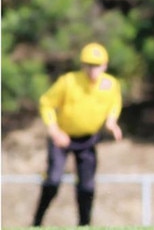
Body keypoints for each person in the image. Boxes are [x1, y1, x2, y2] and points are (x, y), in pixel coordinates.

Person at [32, 42, 123, 227]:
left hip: (88, 140)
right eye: (89, 65)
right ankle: (37, 222)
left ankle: (84, 224)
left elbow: (115, 103)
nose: (93, 70)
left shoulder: (110, 84)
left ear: (105, 65)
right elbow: (46, 103)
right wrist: (54, 130)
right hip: (62, 138)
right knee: (53, 181)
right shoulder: (68, 81)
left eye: (97, 65)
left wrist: (111, 122)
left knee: (86, 186)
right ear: (82, 65)